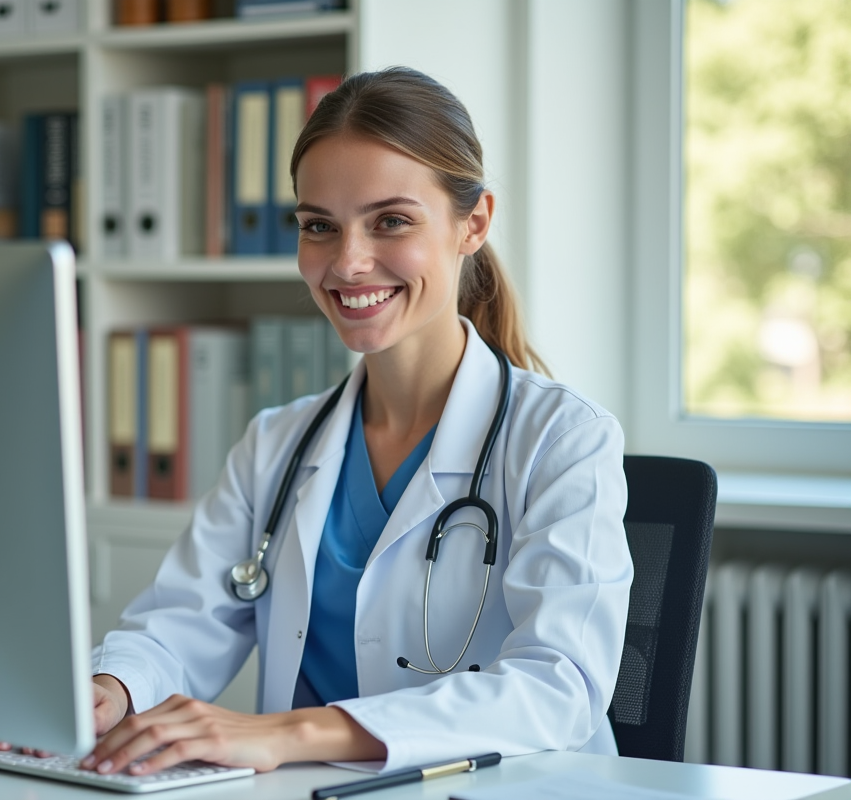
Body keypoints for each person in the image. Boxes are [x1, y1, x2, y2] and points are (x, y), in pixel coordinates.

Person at [83, 66, 633, 776]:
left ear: (474, 223)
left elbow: (558, 689)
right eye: (319, 226)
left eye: (391, 221)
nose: (348, 262)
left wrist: (288, 734)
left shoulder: (563, 439)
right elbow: (179, 624)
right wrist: (111, 690)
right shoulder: (277, 444)